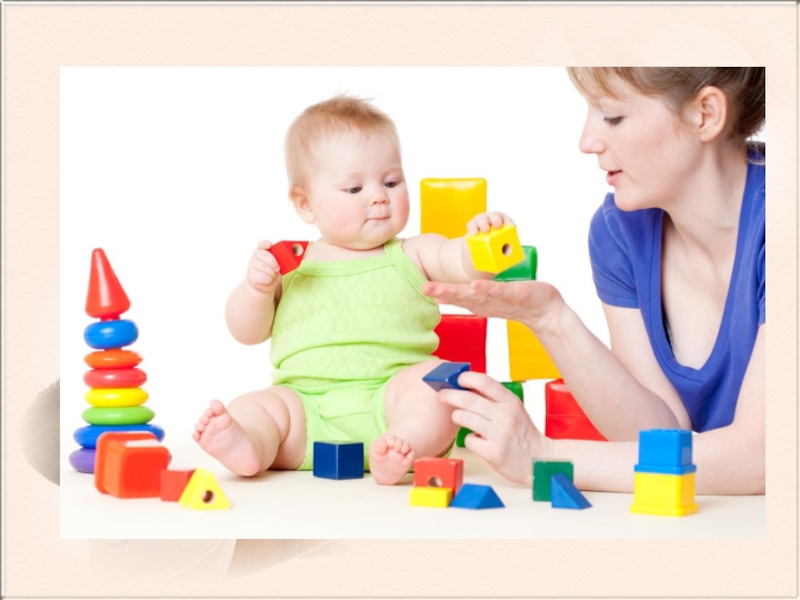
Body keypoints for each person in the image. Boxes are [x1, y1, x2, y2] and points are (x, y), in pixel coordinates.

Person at [422, 67, 765, 495]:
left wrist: (545, 456)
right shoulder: (619, 231)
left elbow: (762, 458)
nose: (586, 142)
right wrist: (549, 319)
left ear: (706, 114)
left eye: (613, 117)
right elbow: (657, 435)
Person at [193, 94, 514, 485]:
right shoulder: (290, 263)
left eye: (391, 182)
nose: (379, 196)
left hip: (392, 401)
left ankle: (403, 445)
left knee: (438, 383)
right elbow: (246, 331)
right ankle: (250, 445)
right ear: (305, 204)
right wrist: (256, 289)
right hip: (306, 411)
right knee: (256, 406)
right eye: (354, 188)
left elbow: (458, 263)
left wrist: (482, 244)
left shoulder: (414, 252)